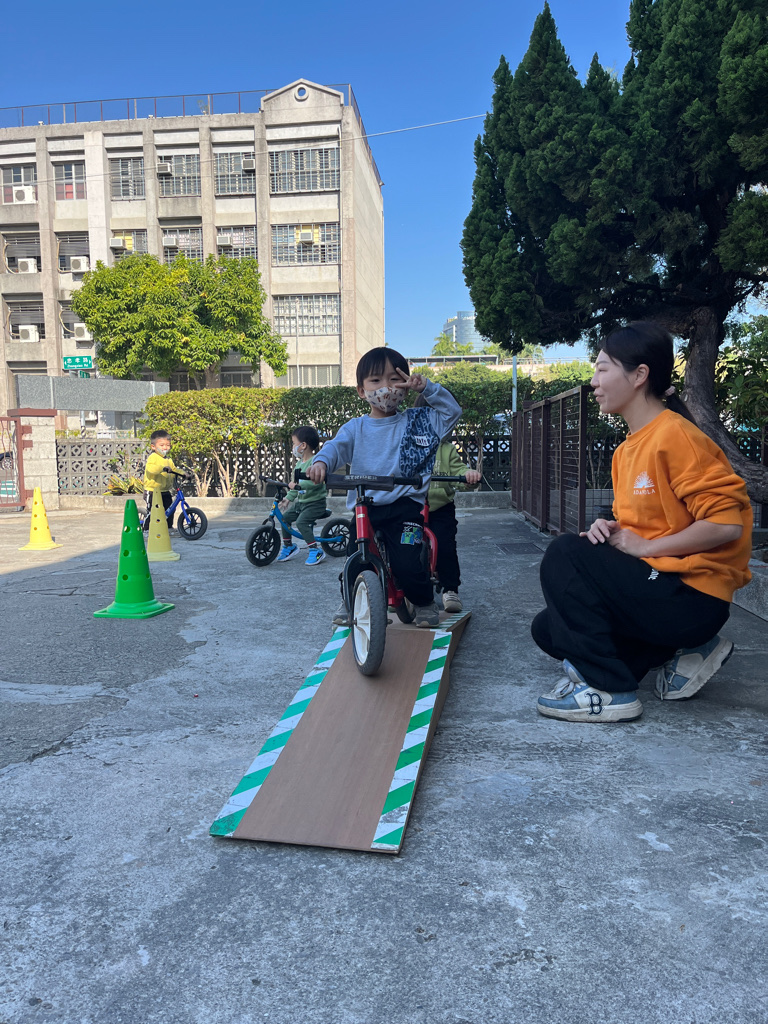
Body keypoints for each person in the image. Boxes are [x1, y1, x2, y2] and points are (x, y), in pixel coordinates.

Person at [531, 321, 752, 723]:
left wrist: (645, 547)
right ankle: (682, 651)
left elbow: (725, 525)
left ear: (639, 375)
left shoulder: (676, 436)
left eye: (602, 369)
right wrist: (611, 529)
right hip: (657, 587)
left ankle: (609, 691)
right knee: (549, 629)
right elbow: (645, 522)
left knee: (564, 553)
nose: (594, 382)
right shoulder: (625, 452)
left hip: (692, 597)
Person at [306, 346, 461, 627]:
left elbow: (452, 413)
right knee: (356, 558)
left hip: (405, 507)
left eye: (394, 379)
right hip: (365, 507)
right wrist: (321, 463)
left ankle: (424, 601)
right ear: (361, 390)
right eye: (376, 380)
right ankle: (350, 600)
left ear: (406, 385)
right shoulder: (355, 428)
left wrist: (427, 388)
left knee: (407, 563)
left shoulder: (419, 422)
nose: (386, 388)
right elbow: (335, 448)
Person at [414, 394, 481, 612]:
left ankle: (450, 588)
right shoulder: (409, 447)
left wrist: (468, 475)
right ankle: (405, 589)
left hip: (439, 507)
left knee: (445, 545)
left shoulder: (447, 449)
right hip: (412, 508)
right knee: (405, 547)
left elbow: (458, 470)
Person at [277, 426, 328, 566]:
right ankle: (289, 546)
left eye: (294, 443)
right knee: (284, 518)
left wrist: (298, 485)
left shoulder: (316, 462)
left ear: (303, 445)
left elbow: (315, 483)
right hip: (302, 503)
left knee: (301, 522)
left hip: (316, 503)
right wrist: (288, 498)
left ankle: (315, 550)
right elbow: (295, 486)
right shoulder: (299, 464)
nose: (293, 447)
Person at [143, 429, 183, 533]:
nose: (165, 447)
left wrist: (184, 474)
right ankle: (147, 529)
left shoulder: (168, 459)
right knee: (153, 510)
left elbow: (174, 470)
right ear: (153, 447)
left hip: (165, 490)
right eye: (162, 445)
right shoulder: (153, 457)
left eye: (168, 445)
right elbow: (151, 469)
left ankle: (168, 527)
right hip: (153, 491)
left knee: (170, 509)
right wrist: (162, 468)